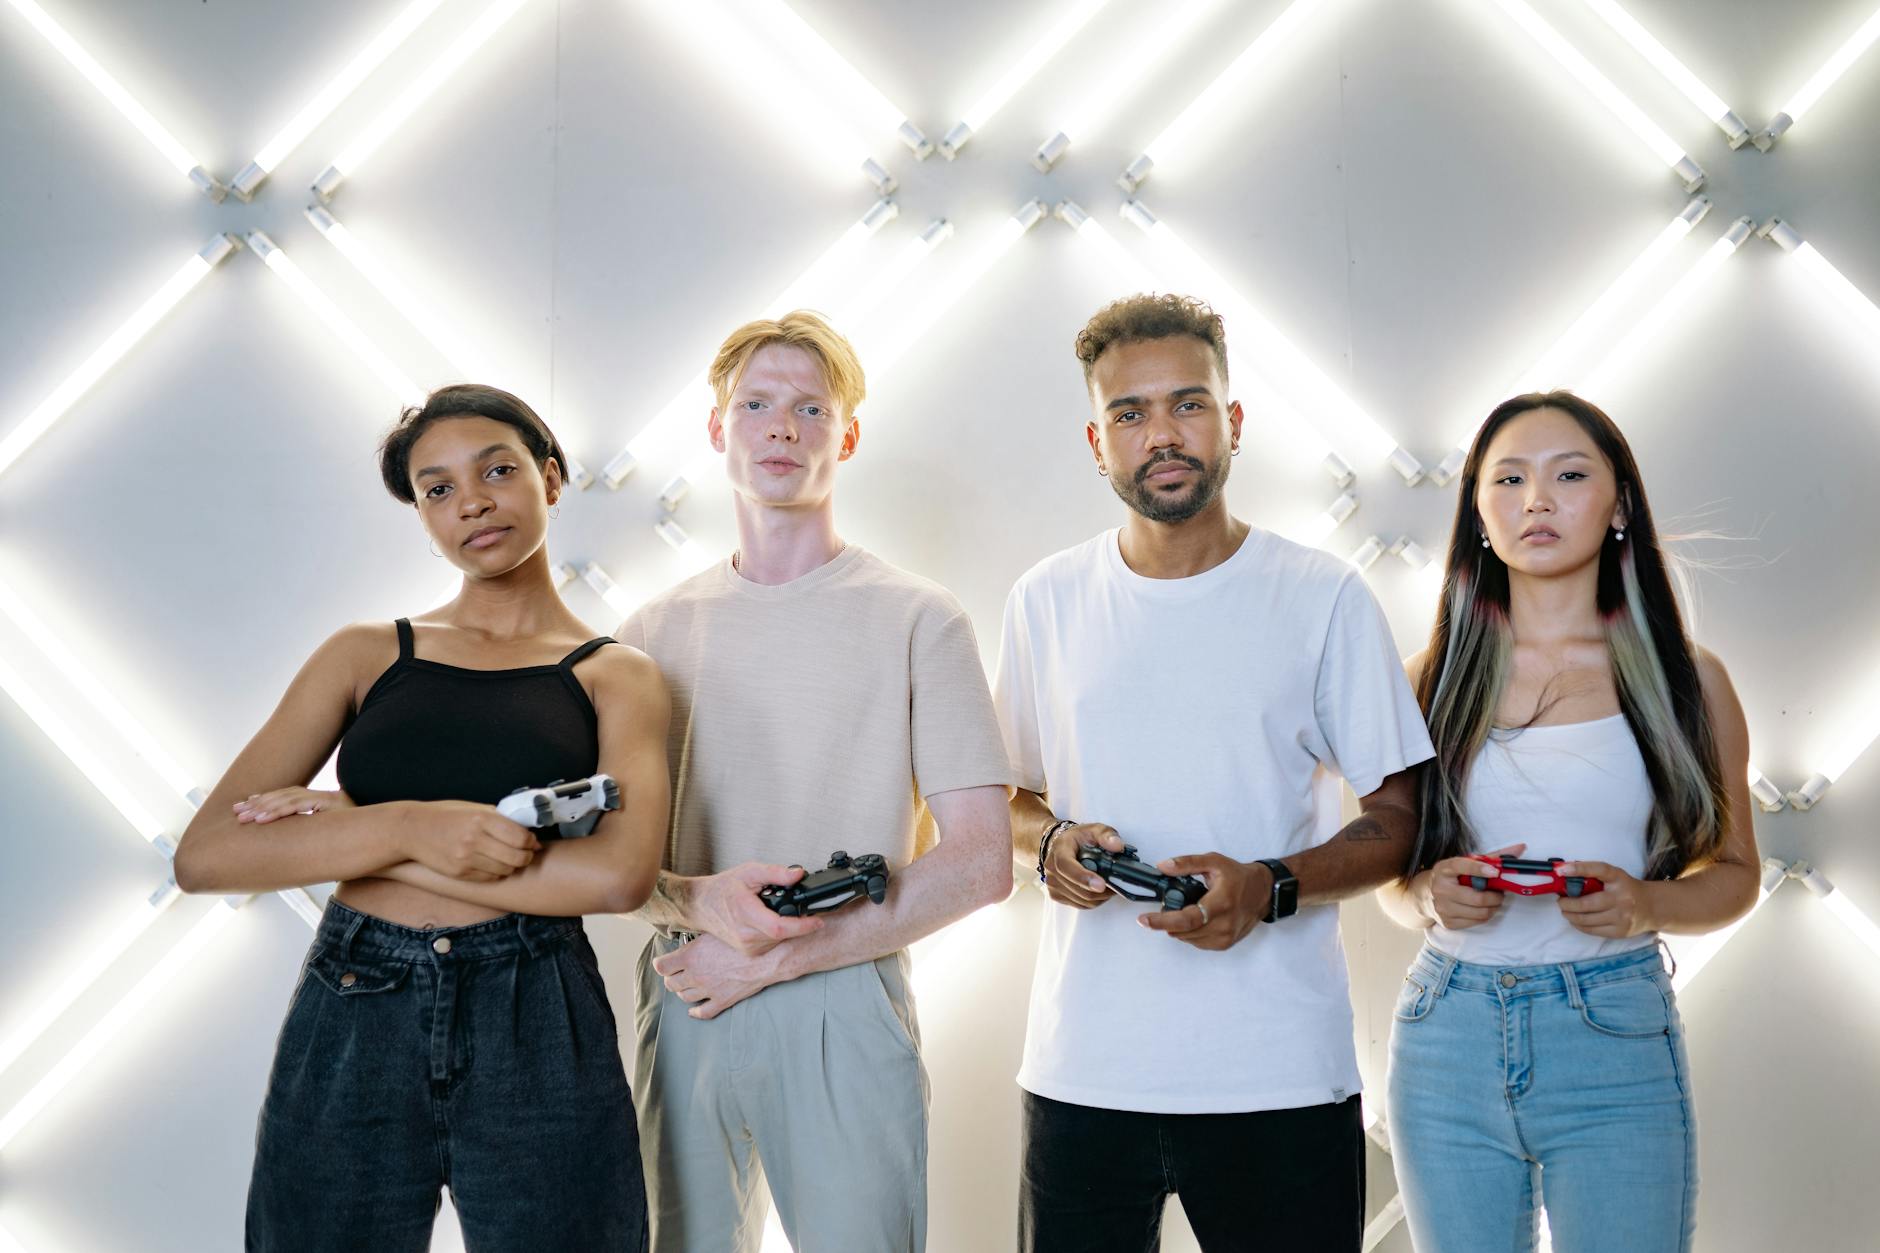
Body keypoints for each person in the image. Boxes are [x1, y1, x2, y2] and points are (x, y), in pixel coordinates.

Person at [173, 384, 671, 1252]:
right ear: (423, 516)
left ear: (551, 479)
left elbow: (619, 877)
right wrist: (406, 824)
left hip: (536, 1005)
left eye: (497, 470)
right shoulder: (365, 654)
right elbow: (207, 853)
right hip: (357, 997)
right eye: (437, 488)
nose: (471, 500)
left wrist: (351, 828)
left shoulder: (615, 674)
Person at [993, 293, 1435, 1252]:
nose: (1162, 434)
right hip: (1083, 1074)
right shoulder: (1045, 600)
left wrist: (1269, 885)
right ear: (1096, 440)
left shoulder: (1322, 597)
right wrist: (1053, 842)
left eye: (1187, 404)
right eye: (1130, 413)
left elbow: (1402, 817)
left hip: (1279, 1075)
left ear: (1232, 422)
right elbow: (1011, 799)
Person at [616, 310, 1013, 1253]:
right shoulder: (648, 633)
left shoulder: (921, 619)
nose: (781, 427)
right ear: (719, 428)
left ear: (848, 433)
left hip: (846, 995)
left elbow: (982, 862)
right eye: (755, 404)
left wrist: (778, 954)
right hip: (687, 987)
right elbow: (609, 858)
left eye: (808, 406)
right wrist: (690, 900)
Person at [1378, 390, 1760, 1253]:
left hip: (1614, 1032)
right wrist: (1432, 897)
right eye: (1507, 479)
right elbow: (1396, 886)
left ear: (1619, 503)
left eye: (1569, 475)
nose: (1536, 499)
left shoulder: (1687, 681)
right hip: (1447, 1034)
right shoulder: (1427, 679)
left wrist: (1647, 905)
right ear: (1478, 512)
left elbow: (1738, 872)